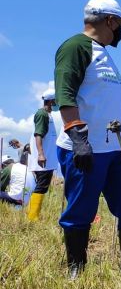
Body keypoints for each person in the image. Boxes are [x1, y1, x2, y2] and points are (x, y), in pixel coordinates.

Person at [54, 0, 121, 280]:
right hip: (85, 146)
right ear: (109, 20)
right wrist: (78, 137)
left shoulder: (105, 54)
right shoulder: (75, 47)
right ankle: (76, 270)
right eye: (120, 25)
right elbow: (65, 93)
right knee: (80, 209)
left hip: (119, 146)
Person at [25, 88, 59, 221]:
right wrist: (40, 154)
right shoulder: (42, 114)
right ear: (51, 101)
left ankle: (32, 215)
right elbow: (38, 134)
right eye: (56, 101)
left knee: (42, 186)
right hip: (43, 159)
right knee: (42, 186)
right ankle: (32, 217)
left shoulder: (48, 115)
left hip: (48, 158)